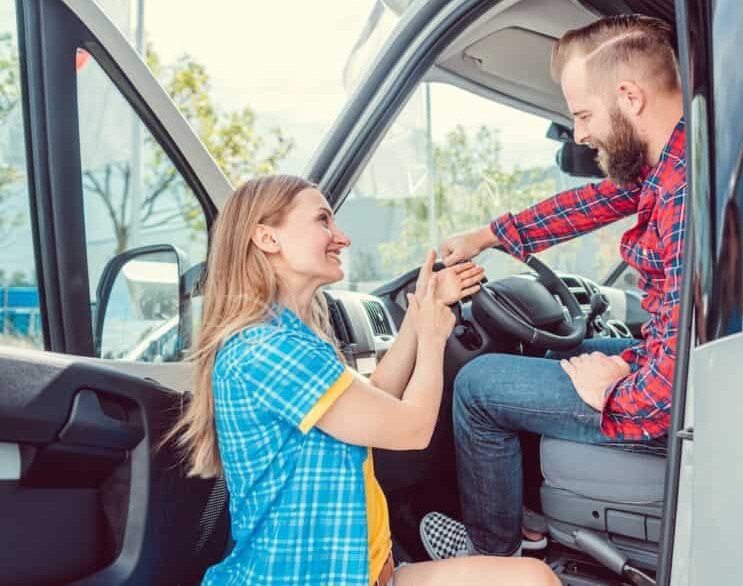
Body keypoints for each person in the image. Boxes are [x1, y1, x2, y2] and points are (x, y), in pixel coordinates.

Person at [164, 175, 559, 585]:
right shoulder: (267, 349)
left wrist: (420, 311)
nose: (343, 238)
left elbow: (374, 401)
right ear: (267, 238)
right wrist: (430, 338)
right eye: (323, 220)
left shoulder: (293, 338)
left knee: (534, 578)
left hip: (368, 573)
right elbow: (411, 428)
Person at [419, 14, 687, 560]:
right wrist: (489, 236)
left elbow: (664, 400)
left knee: (478, 385)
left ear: (630, 97)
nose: (581, 134)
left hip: (675, 400)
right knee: (552, 351)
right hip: (671, 365)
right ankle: (533, 524)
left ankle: (495, 558)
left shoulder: (682, 197)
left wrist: (609, 391)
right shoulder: (678, 164)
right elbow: (589, 205)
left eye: (584, 114)